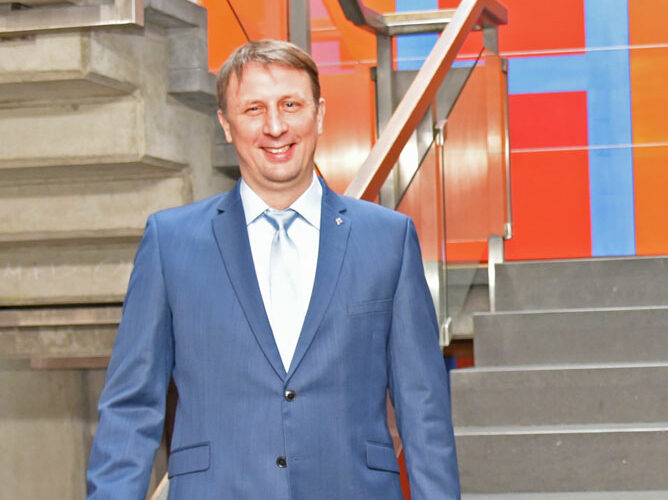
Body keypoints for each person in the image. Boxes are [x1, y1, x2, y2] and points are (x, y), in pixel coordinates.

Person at [85, 40, 459, 499]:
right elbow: (130, 408)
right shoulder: (170, 243)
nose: (276, 127)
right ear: (226, 124)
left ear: (319, 114)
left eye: (290, 105)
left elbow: (424, 410)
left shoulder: (388, 240)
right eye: (254, 109)